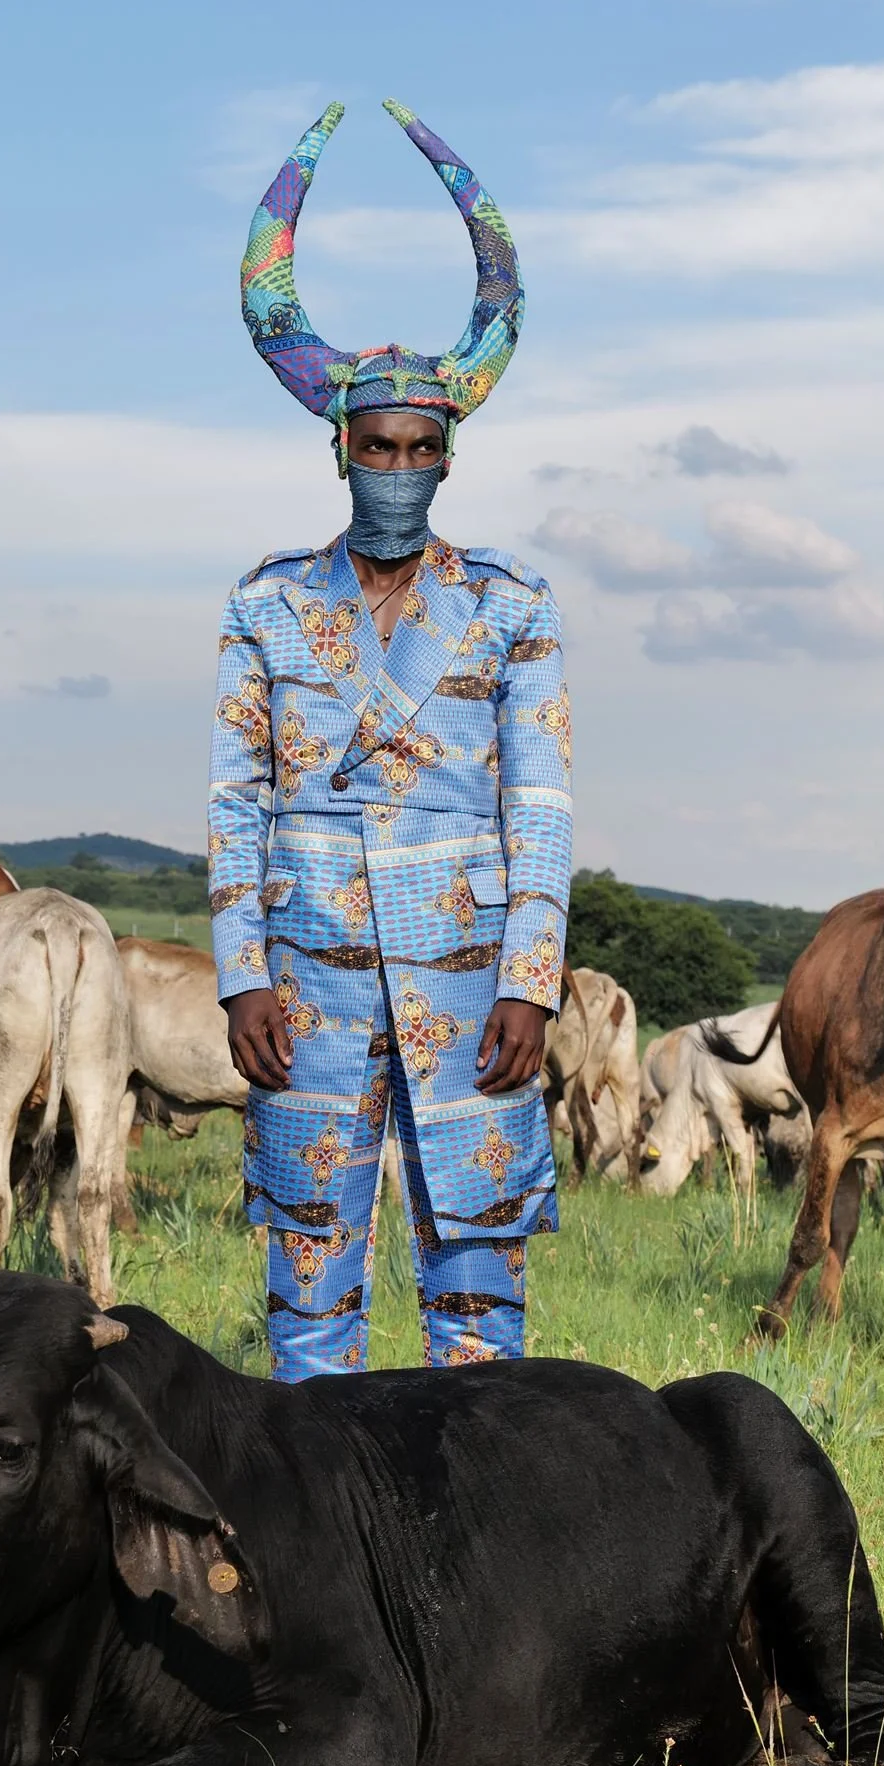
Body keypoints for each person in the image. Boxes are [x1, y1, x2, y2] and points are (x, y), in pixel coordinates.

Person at [209, 100, 572, 1382]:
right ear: (341, 449)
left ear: (449, 458)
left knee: (478, 1276)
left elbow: (540, 807)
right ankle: (321, 1546)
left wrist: (531, 979)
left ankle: (486, 1544)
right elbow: (234, 801)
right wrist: (240, 970)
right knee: (307, 1274)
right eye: (377, 445)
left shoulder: (513, 609)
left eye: (423, 446)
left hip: (470, 978)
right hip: (305, 978)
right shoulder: (266, 605)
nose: (399, 466)